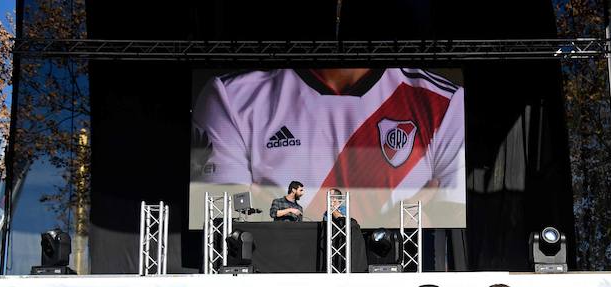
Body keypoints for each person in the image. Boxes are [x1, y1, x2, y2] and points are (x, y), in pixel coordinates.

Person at [191, 68, 465, 228]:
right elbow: (222, 221)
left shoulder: (447, 104)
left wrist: (282, 214)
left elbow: (447, 227)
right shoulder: (230, 97)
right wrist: (385, 229)